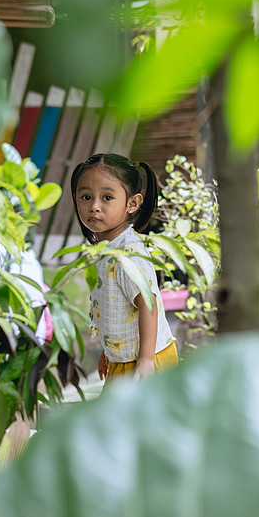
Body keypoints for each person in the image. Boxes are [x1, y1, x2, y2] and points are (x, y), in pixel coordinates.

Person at [71, 153, 177, 383]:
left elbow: (147, 304)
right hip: (123, 359)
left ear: (133, 203)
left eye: (107, 197)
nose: (94, 207)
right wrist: (108, 353)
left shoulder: (128, 252)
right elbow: (116, 307)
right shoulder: (105, 247)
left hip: (146, 361)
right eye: (86, 196)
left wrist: (147, 360)